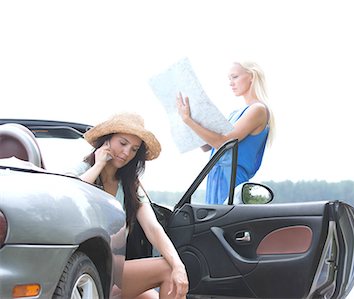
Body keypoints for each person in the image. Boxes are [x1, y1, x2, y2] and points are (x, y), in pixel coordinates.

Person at [72, 112, 188, 299]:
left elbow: (153, 227)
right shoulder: (82, 171)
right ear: (107, 140)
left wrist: (179, 265)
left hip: (115, 270)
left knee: (165, 280)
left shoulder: (129, 185)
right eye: (123, 143)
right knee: (167, 270)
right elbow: (71, 198)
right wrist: (98, 165)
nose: (126, 153)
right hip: (81, 269)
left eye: (134, 149)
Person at [176, 61, 275, 204]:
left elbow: (223, 143)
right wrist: (191, 118)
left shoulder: (258, 109)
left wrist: (188, 120)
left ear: (251, 76)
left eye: (234, 77)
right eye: (229, 79)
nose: (231, 83)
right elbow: (207, 146)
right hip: (215, 178)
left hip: (232, 181)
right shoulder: (234, 114)